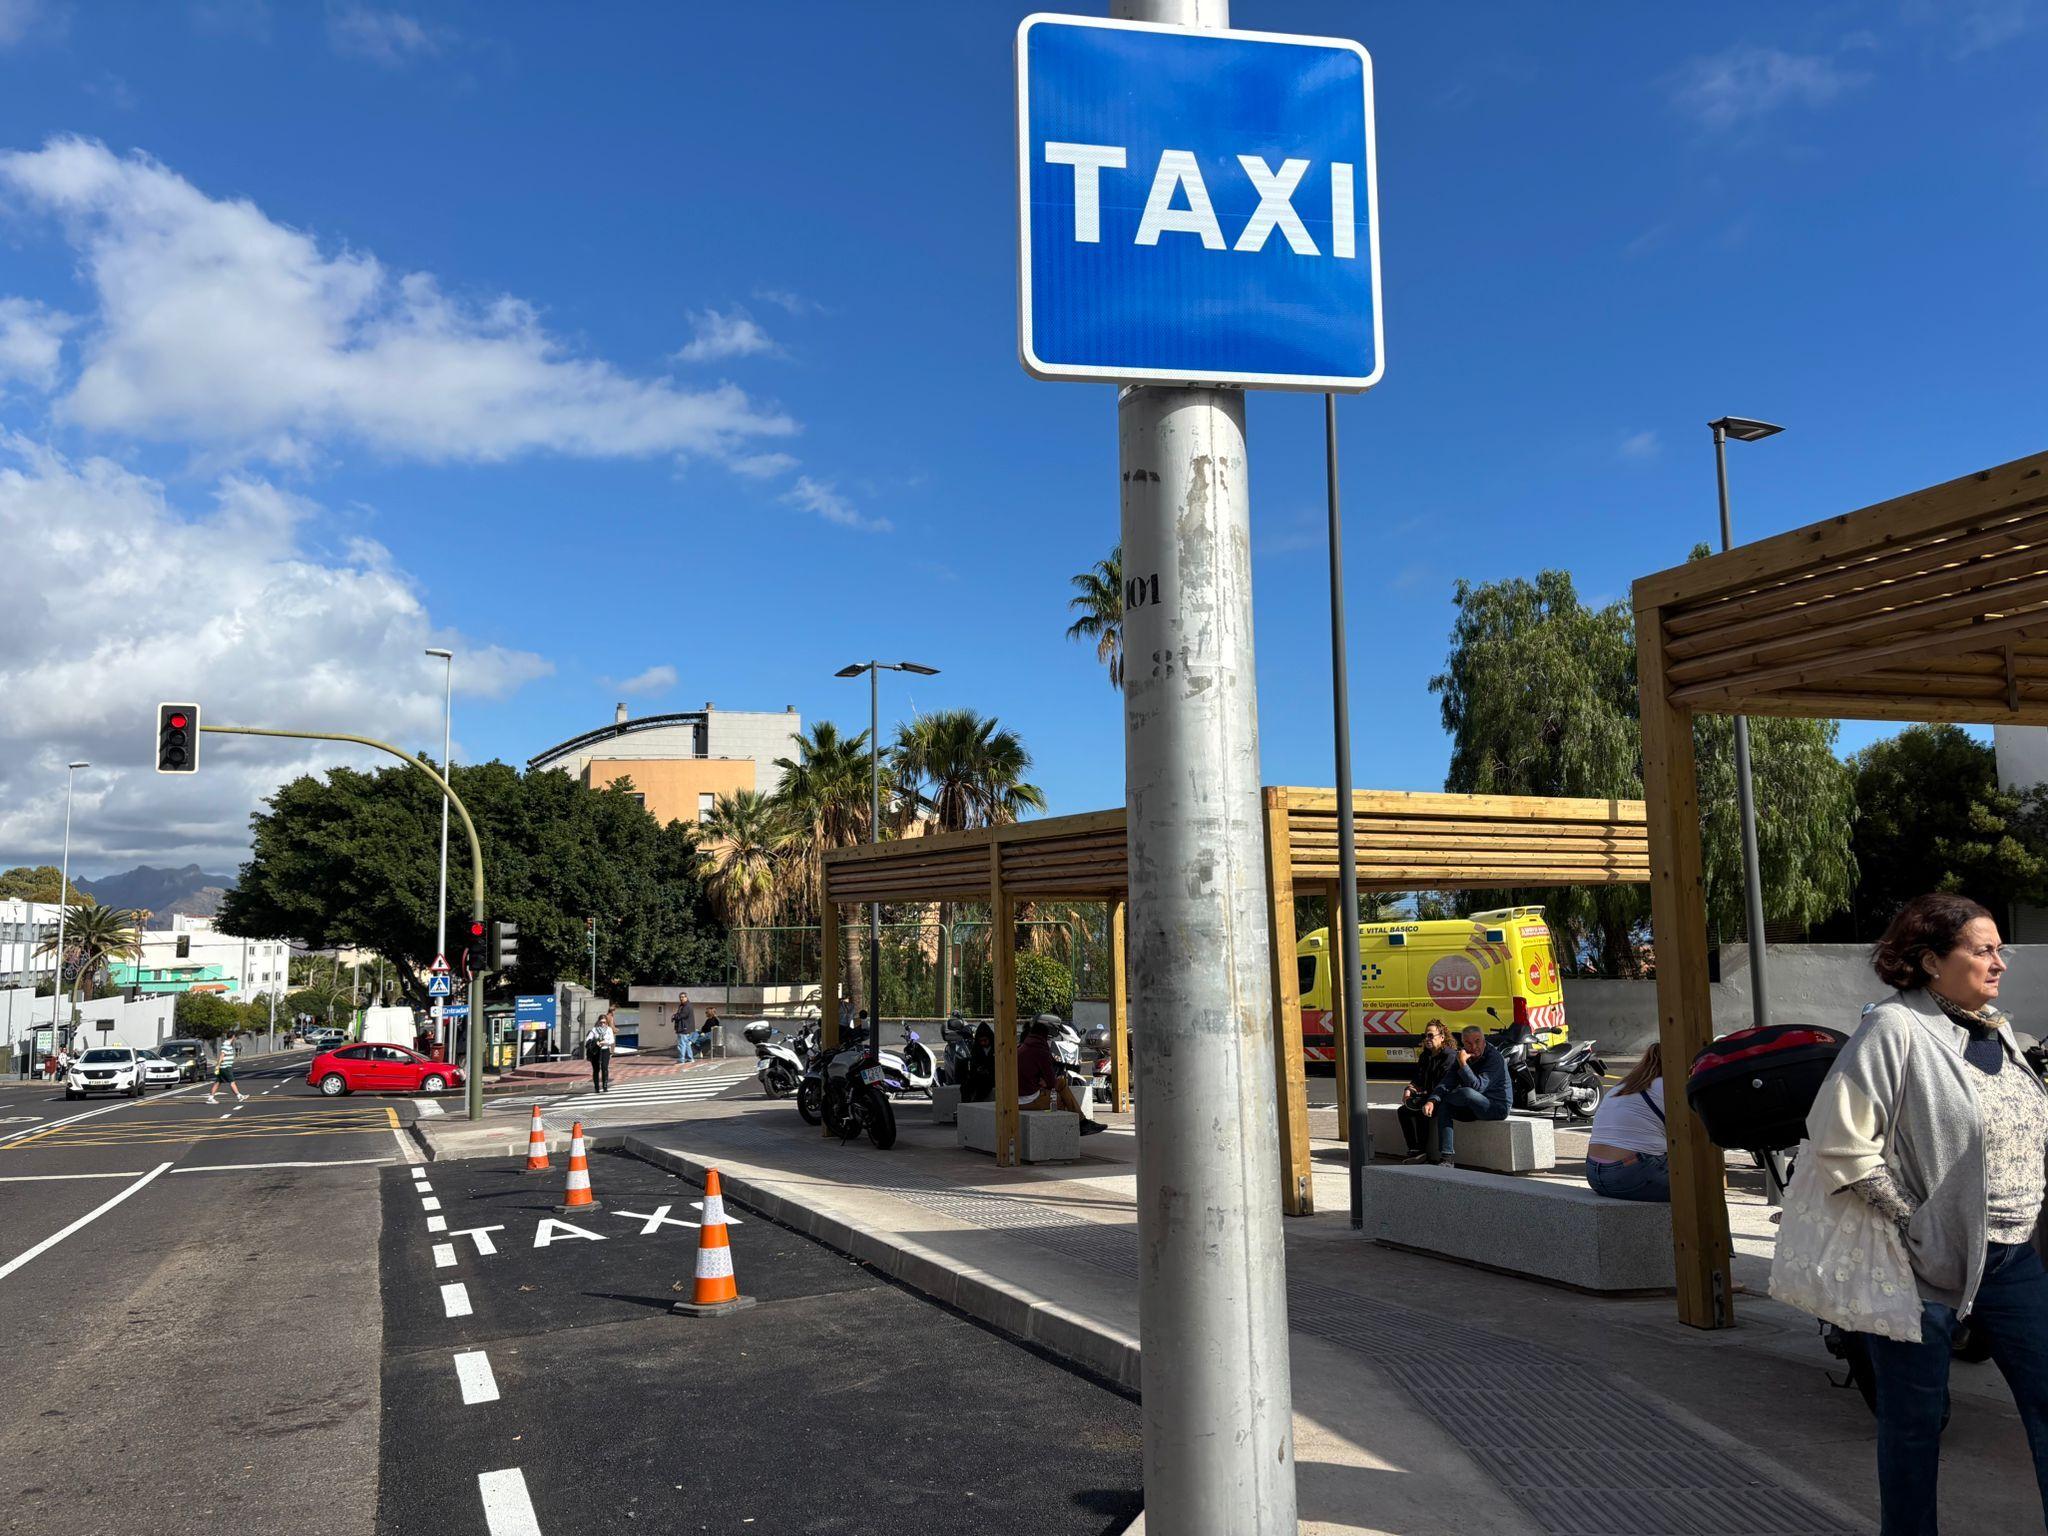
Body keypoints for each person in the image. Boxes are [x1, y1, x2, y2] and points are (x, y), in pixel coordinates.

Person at [1807, 892, 2048, 1533]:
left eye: (2000, 948)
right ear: (1930, 960)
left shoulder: (1996, 1029)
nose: (2000, 963)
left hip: (2013, 1257)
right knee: (1914, 1423)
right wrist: (1915, 1223)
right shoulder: (1894, 1028)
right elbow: (1838, 1140)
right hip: (1923, 1266)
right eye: (1983, 950)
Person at [1583, 1043, 1668, 1202]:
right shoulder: (1666, 1086)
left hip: (1594, 1173)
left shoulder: (1622, 1086)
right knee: (1702, 1184)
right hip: (1631, 1174)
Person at [1424, 1024, 1510, 1159]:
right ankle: (1446, 1157)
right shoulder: (1462, 1055)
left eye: (1477, 1041)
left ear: (1484, 1040)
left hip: (1495, 1107)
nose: (1474, 1047)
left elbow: (1478, 1088)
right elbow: (1448, 1081)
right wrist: (1432, 1100)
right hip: (1472, 1107)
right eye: (1468, 1043)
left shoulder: (1494, 1058)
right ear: (1463, 1043)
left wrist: (1463, 1065)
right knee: (1445, 1105)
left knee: (1466, 1093)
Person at [1018, 1017, 1106, 1135]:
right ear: (1044, 1036)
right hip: (1028, 1100)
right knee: (1061, 1100)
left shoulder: (1022, 1048)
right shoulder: (1040, 1050)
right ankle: (1077, 1126)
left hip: (1018, 1096)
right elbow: (1051, 1083)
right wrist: (1046, 1082)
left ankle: (1081, 1123)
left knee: (1062, 1083)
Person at [1394, 1022, 1458, 1163]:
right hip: (1429, 1096)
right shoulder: (1425, 1056)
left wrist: (1430, 1099)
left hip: (1444, 1097)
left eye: (1430, 1035)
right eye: (1425, 1036)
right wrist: (1409, 1089)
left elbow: (1445, 1084)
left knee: (1423, 1110)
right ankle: (1414, 1150)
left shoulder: (1449, 1056)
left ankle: (1423, 1152)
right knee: (1403, 1111)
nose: (1427, 1039)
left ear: (1442, 1037)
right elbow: (1418, 1078)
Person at [207, 1034, 245, 1105]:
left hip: (223, 1067)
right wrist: (218, 1065)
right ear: (233, 1036)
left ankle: (210, 1098)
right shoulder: (226, 1045)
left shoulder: (228, 1044)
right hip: (226, 1067)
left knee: (218, 1082)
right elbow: (222, 1055)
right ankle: (239, 1096)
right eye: (235, 1037)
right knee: (232, 1082)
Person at [586, 1008, 617, 1094]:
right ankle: (596, 1088)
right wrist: (596, 1042)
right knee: (596, 1069)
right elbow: (588, 1039)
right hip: (596, 1051)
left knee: (604, 1068)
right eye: (601, 1022)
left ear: (606, 1022)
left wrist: (605, 1042)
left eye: (604, 1022)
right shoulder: (594, 1029)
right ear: (598, 1022)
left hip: (605, 1050)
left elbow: (612, 1041)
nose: (602, 1024)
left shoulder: (609, 1029)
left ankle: (605, 1086)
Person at [672, 994, 696, 1062]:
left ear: (686, 997)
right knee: (686, 1043)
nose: (681, 999)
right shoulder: (684, 1006)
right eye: (680, 997)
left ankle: (681, 1059)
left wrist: (674, 1016)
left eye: (683, 997)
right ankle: (690, 1058)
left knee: (681, 1044)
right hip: (686, 1028)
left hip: (683, 1028)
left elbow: (682, 1015)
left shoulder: (687, 1006)